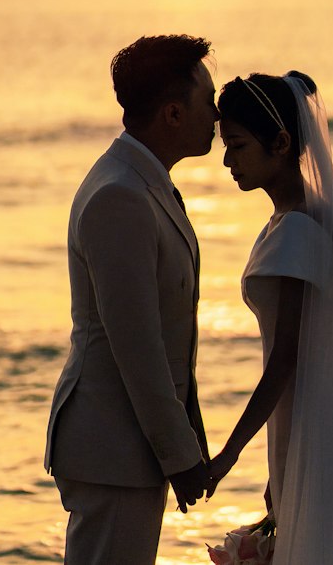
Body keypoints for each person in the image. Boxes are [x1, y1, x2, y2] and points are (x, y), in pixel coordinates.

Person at [45, 34, 218, 565]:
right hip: (111, 448)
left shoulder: (147, 182)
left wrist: (187, 432)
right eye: (206, 100)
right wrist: (179, 453)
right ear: (171, 113)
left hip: (128, 446)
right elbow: (137, 348)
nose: (216, 114)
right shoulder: (120, 195)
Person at [206, 71, 333, 565]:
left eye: (239, 145)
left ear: (282, 142)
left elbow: (285, 360)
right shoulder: (300, 217)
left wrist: (228, 454)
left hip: (305, 421)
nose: (227, 160)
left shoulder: (296, 231)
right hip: (306, 422)